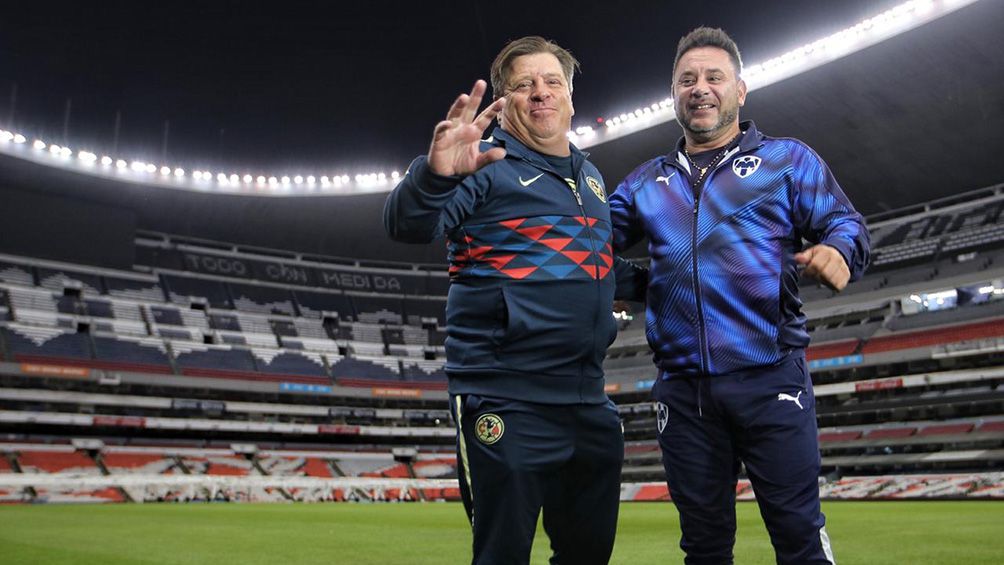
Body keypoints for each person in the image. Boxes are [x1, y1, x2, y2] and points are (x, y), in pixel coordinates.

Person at [609, 27, 870, 565]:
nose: (700, 88)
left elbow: (845, 222)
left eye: (714, 77)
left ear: (740, 91)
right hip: (683, 393)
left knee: (799, 539)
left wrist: (839, 251)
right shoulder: (643, 184)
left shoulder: (786, 160)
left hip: (771, 378)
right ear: (673, 95)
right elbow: (586, 248)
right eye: (687, 80)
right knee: (704, 550)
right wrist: (648, 286)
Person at [384, 36, 646, 565]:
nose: (540, 93)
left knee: (588, 556)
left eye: (552, 82)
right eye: (524, 85)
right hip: (504, 397)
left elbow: (597, 268)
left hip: (587, 401)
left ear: (571, 98)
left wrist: (680, 279)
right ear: (503, 104)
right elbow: (408, 225)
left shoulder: (590, 178)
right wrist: (433, 178)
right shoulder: (484, 164)